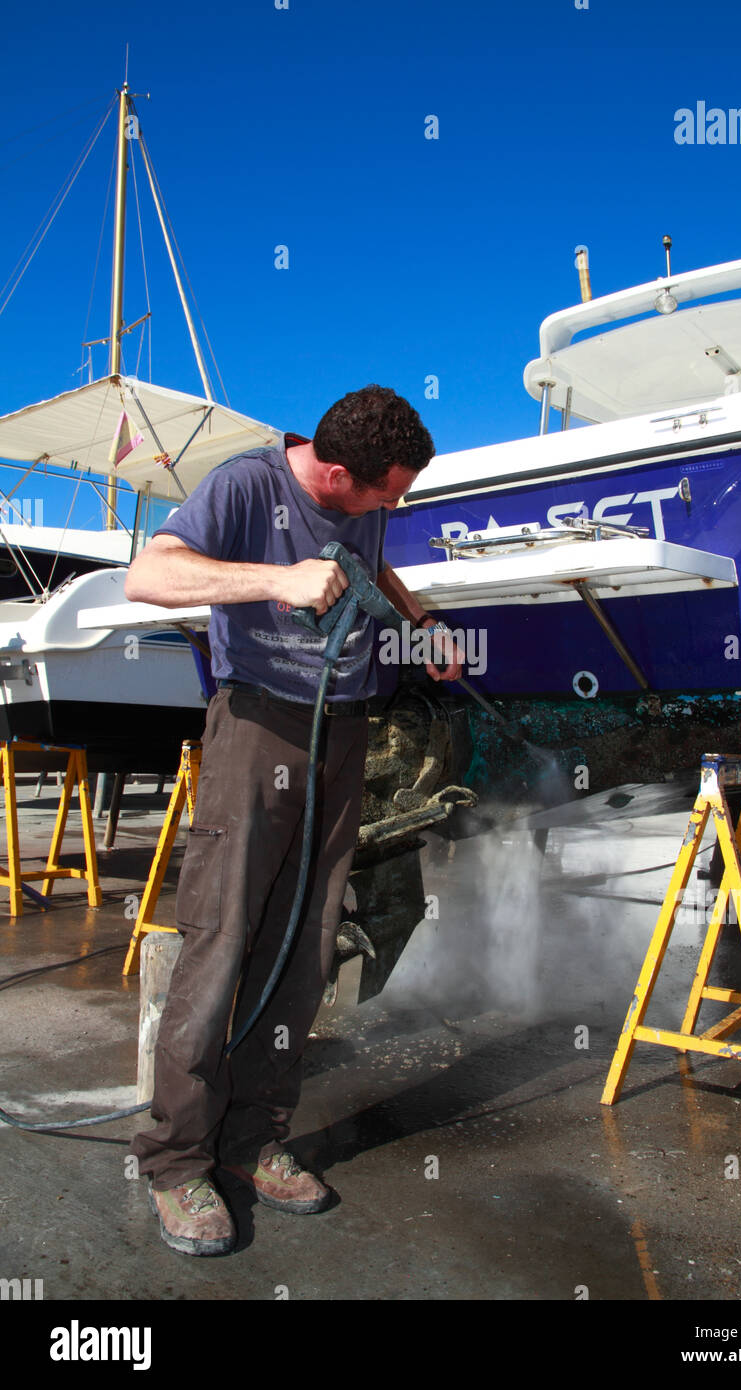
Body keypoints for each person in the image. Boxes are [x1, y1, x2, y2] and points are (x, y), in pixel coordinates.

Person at [126, 384, 461, 1256]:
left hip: (342, 734)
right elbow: (149, 574)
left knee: (307, 943)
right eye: (385, 494)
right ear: (338, 469)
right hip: (257, 727)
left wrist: (423, 624)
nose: (396, 508)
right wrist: (276, 579)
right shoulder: (244, 486)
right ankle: (175, 1161)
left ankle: (252, 1143)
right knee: (222, 937)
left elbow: (371, 565)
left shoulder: (366, 505)